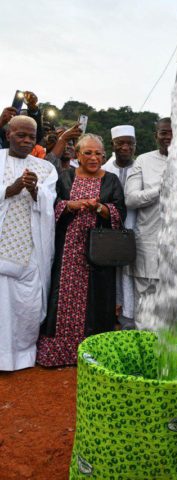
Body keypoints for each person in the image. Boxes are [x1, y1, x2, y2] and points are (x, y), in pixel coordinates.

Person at [36, 134, 126, 367]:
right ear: (77, 155)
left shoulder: (112, 180)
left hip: (100, 251)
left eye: (98, 153)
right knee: (63, 295)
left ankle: (95, 355)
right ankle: (60, 354)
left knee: (99, 298)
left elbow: (120, 212)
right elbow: (51, 207)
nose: (94, 157)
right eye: (88, 153)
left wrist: (100, 208)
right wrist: (70, 205)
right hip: (68, 249)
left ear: (104, 156)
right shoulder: (65, 177)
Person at [124, 117, 177, 329]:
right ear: (156, 136)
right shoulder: (143, 161)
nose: (169, 137)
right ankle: (145, 354)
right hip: (149, 244)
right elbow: (131, 199)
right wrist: (159, 190)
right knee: (145, 306)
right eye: (164, 133)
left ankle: (170, 358)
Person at [0, 116, 57, 371]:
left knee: (28, 304)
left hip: (32, 249)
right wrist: (8, 190)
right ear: (7, 134)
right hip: (2, 247)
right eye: (20, 135)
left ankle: (22, 357)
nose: (25, 140)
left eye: (30, 137)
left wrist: (36, 191)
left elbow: (50, 202)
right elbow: (7, 192)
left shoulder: (45, 168)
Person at [103, 125, 137, 330]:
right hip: (107, 232)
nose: (125, 147)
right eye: (120, 143)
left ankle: (129, 321)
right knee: (109, 276)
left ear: (135, 146)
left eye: (130, 144)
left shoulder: (141, 167)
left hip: (135, 229)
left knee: (130, 276)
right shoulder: (105, 168)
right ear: (112, 145)